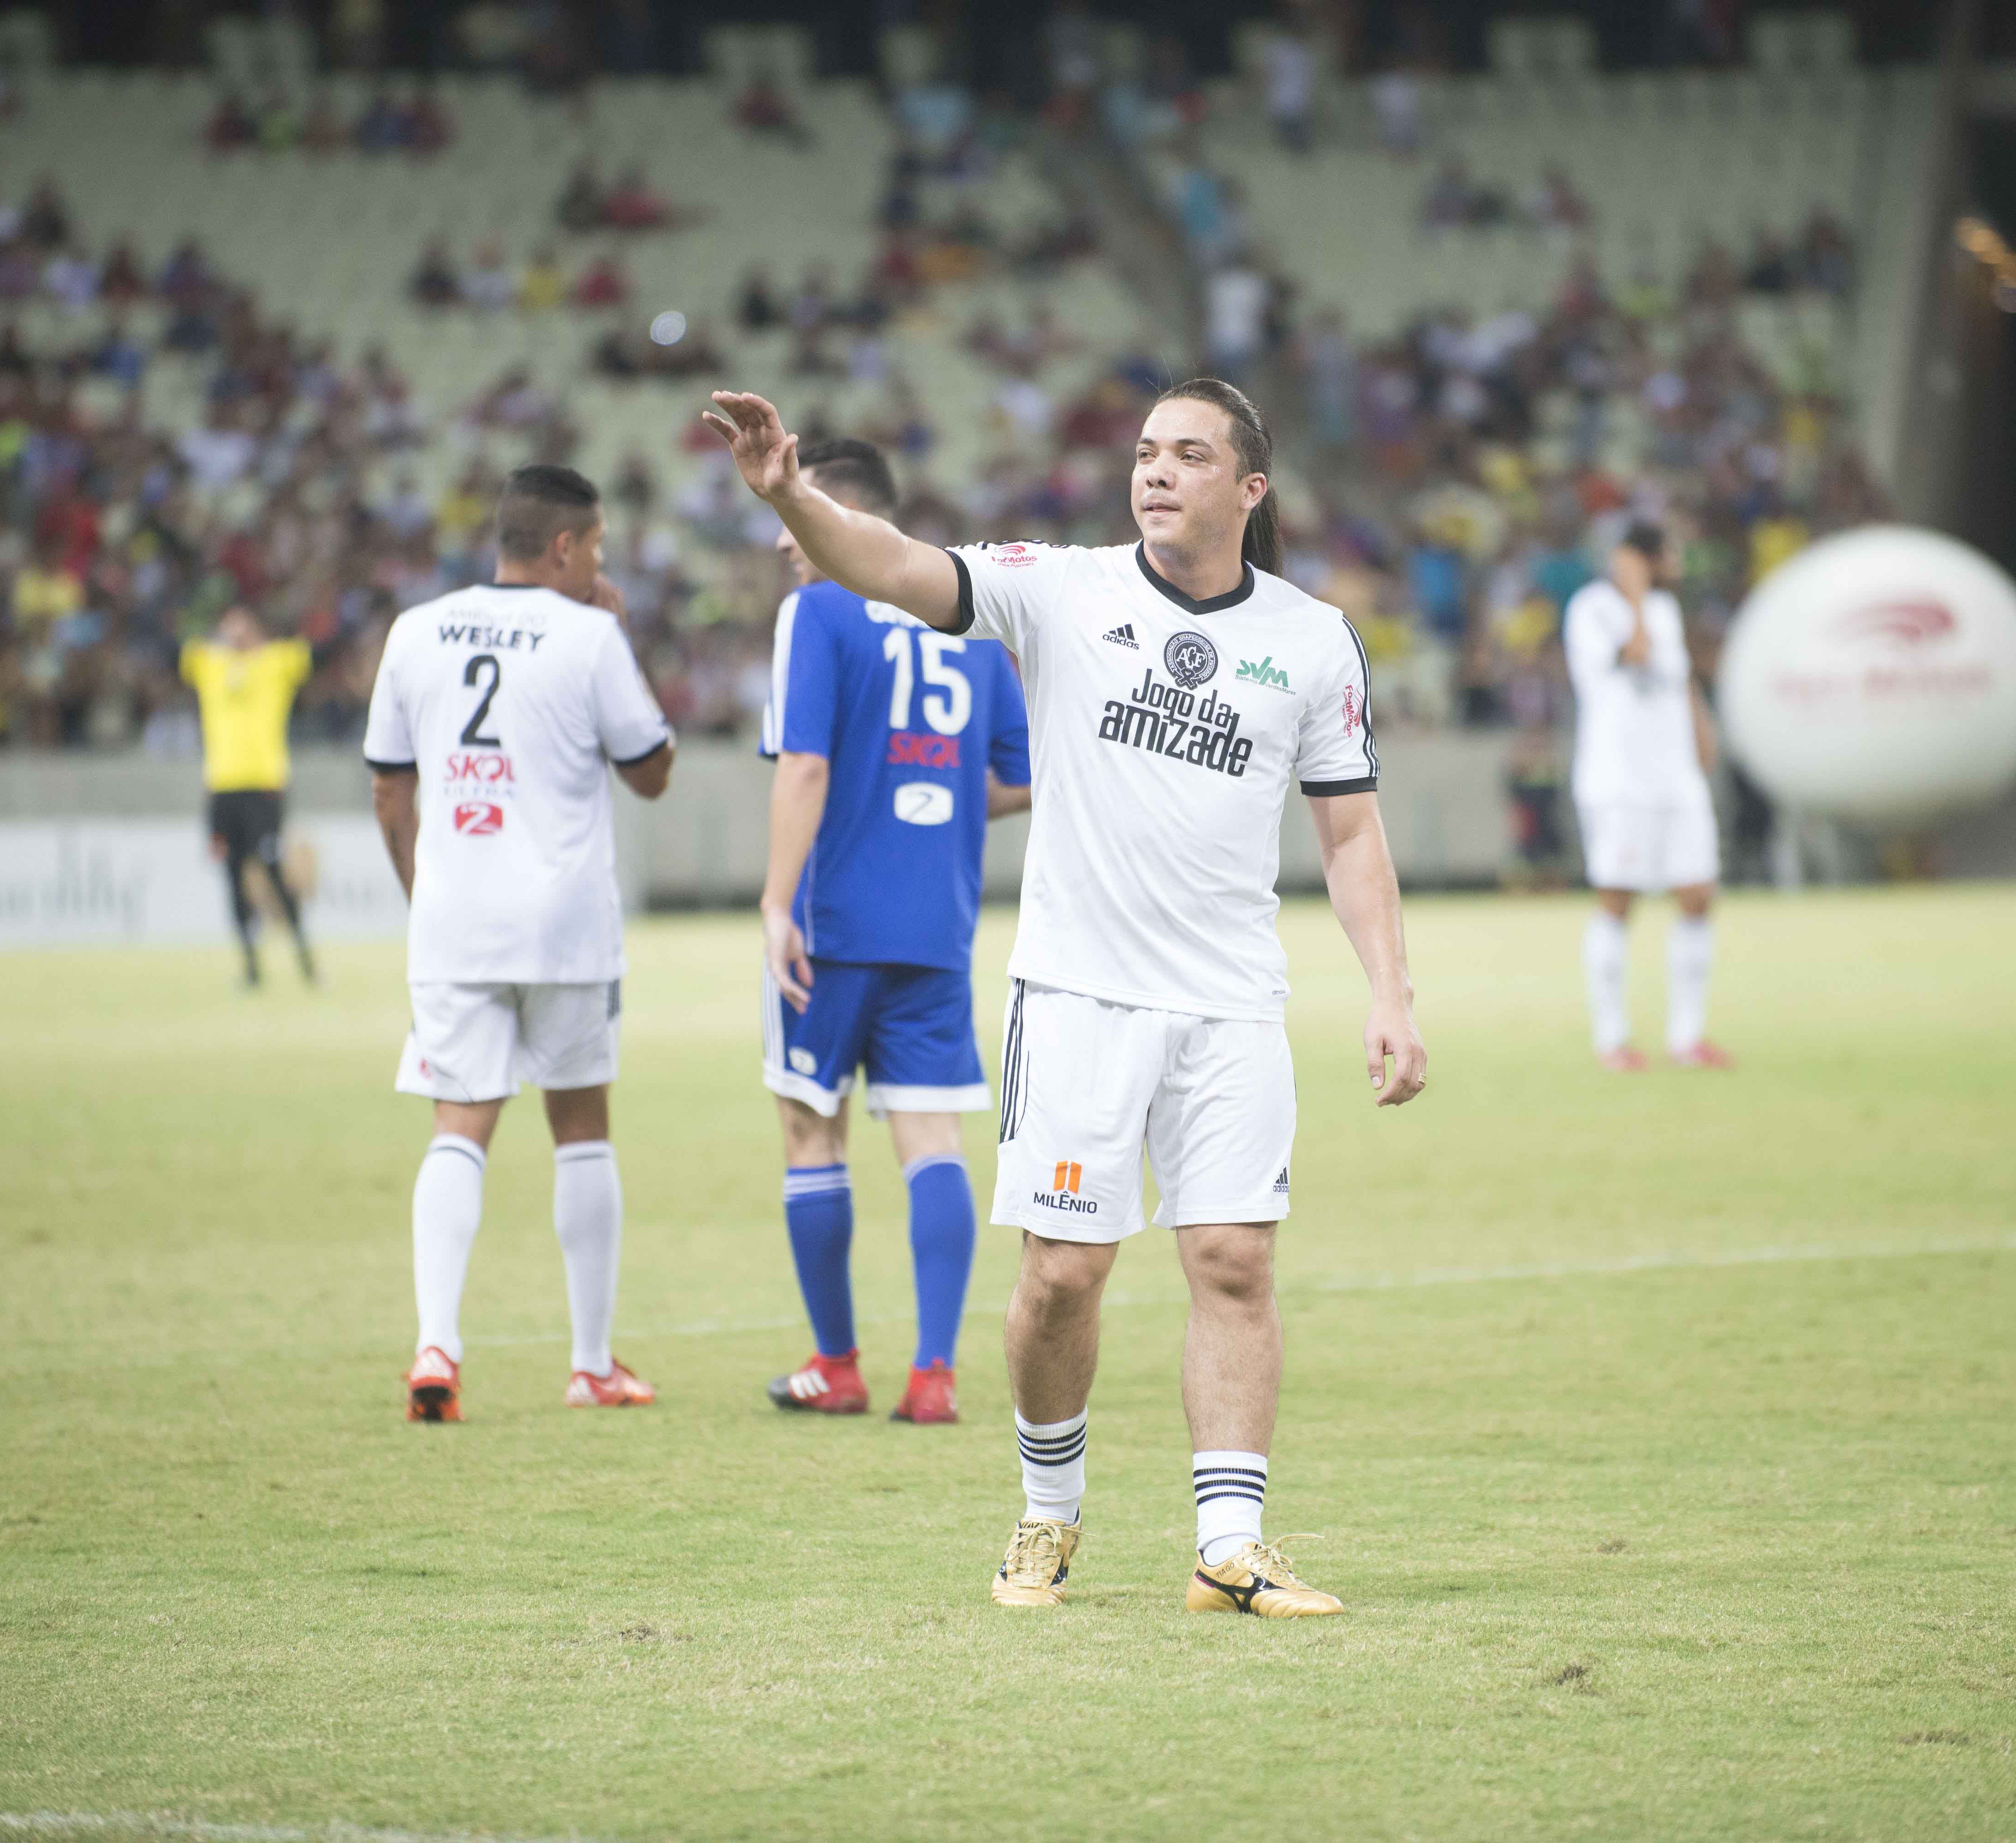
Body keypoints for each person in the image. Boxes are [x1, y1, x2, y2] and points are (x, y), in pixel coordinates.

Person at [704, 377, 1426, 1620]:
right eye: (1146, 452)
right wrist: (792, 495)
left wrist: (1391, 994)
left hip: (1234, 1003)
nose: (1155, 472)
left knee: (1235, 1262)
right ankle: (1048, 1514)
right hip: (1081, 997)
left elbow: (1351, 833)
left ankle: (1232, 1546)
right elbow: (892, 567)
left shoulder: (1313, 638)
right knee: (1062, 1281)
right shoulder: (1062, 589)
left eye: (1189, 456)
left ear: (1250, 490)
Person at [363, 465, 677, 1423]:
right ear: (565, 549)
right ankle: (589, 1364)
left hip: (454, 925)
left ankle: (436, 1344)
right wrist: (617, 635)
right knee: (580, 1127)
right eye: (600, 549)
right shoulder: (588, 635)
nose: (602, 566)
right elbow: (653, 773)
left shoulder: (414, 630)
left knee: (458, 1126)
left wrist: (428, 898)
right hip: (566, 929)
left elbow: (388, 786)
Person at [754, 437, 1032, 1425]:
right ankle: (935, 1373)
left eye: (796, 518)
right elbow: (1021, 778)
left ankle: (835, 1364)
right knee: (931, 1138)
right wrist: (941, 795)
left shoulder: (817, 611)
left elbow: (804, 766)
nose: (788, 544)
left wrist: (777, 903)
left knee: (808, 1128)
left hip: (831, 923)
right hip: (935, 924)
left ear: (840, 517)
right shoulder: (973, 629)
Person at [1562, 525, 1727, 1071]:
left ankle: (1687, 1037)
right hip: (1619, 780)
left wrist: (1701, 730)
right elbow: (1635, 653)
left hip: (1674, 777)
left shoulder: (1663, 609)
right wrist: (1632, 593)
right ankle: (1612, 1039)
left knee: (1699, 894)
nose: (1678, 560)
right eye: (1670, 551)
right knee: (1619, 899)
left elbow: (1675, 677)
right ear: (1636, 558)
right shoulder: (1592, 608)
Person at [178, 606, 318, 989]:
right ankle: (251, 968)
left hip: (264, 787)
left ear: (257, 631)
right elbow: (183, 644)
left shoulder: (275, 661)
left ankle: (306, 961)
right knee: (231, 875)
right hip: (222, 789)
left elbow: (310, 650)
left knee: (274, 872)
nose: (236, 636)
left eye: (244, 628)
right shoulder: (210, 663)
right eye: (229, 629)